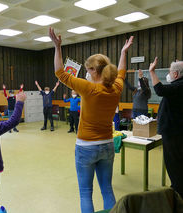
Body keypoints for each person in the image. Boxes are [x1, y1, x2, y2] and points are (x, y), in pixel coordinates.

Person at [49, 27, 133, 212]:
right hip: (108, 145)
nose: (86, 73)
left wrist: (57, 47)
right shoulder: (116, 88)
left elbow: (60, 73)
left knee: (86, 192)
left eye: (87, 70)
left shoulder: (88, 88)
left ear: (94, 70)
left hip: (86, 147)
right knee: (107, 190)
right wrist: (123, 52)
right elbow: (121, 72)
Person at [148, 57, 183, 198]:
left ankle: (178, 192)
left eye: (169, 71)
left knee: (174, 163)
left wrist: (151, 72)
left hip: (174, 133)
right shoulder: (177, 87)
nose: (168, 74)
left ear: (175, 74)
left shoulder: (179, 85)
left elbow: (160, 90)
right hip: (175, 130)